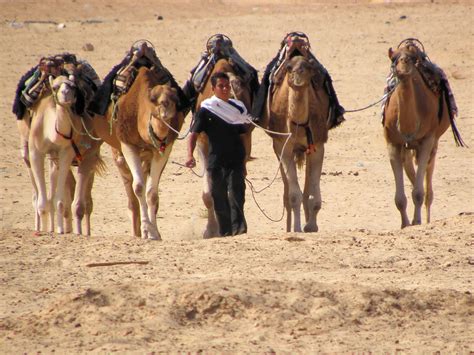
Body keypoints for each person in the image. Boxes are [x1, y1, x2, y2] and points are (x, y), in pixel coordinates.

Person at [185, 72, 250, 237]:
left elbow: (244, 136)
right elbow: (194, 133)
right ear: (213, 89)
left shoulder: (239, 107)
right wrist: (189, 155)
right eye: (221, 86)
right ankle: (226, 231)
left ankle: (239, 230)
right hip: (216, 160)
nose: (225, 89)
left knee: (237, 194)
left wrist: (244, 161)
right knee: (219, 197)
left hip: (235, 159)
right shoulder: (206, 108)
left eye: (227, 86)